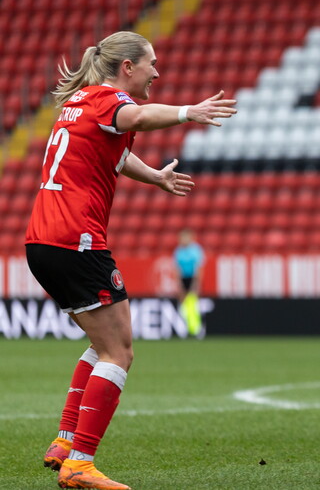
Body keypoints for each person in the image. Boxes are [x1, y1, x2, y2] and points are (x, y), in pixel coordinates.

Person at [30, 30, 237, 489]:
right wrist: (190, 113)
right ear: (128, 68)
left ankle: (66, 441)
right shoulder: (109, 100)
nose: (157, 72)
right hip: (76, 239)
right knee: (119, 351)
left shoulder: (80, 102)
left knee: (104, 343)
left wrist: (157, 179)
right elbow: (139, 117)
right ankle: (80, 464)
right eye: (152, 63)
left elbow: (116, 161)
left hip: (44, 240)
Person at [173, 228, 205, 337]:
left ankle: (196, 328)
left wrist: (196, 284)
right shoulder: (178, 251)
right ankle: (187, 327)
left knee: (192, 303)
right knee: (183, 305)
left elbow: (198, 268)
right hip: (183, 279)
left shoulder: (196, 250)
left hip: (192, 278)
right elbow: (177, 269)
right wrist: (179, 284)